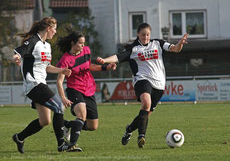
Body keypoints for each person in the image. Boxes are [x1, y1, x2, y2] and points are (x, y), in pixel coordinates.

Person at [97, 23, 188, 148]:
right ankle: (142, 136)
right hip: (142, 80)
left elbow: (175, 49)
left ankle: (129, 129)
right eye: (143, 34)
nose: (145, 37)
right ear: (138, 35)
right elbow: (118, 57)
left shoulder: (158, 44)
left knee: (145, 114)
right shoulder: (134, 48)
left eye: (148, 34)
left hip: (159, 84)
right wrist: (105, 60)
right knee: (146, 103)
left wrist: (180, 44)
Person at [12, 17, 81, 153]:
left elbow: (47, 67)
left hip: (40, 83)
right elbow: (18, 52)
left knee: (45, 120)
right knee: (59, 107)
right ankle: (62, 144)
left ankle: (19, 137)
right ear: (48, 28)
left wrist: (62, 70)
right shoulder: (32, 41)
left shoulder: (46, 45)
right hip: (33, 84)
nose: (55, 32)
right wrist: (16, 58)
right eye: (54, 29)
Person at [56, 31, 116, 150]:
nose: (83, 46)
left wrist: (106, 67)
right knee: (81, 114)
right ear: (73, 43)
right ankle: (71, 145)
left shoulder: (86, 51)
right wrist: (63, 98)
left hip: (88, 88)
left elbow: (89, 66)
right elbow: (59, 81)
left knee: (92, 126)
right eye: (80, 43)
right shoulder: (65, 60)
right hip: (74, 89)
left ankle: (68, 124)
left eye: (84, 43)